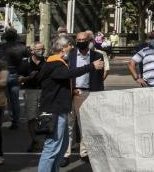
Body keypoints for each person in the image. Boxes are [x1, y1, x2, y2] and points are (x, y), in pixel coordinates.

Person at [36, 35, 104, 172]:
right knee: (52, 146)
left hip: (58, 109)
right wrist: (91, 66)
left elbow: (57, 85)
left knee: (62, 145)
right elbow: (70, 74)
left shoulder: (55, 63)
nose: (72, 47)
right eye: (69, 45)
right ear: (62, 49)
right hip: (55, 111)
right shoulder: (55, 63)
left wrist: (72, 91)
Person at [60, 31, 106, 167]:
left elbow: (99, 77)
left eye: (83, 39)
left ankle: (84, 153)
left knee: (85, 125)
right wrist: (71, 89)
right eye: (78, 39)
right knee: (68, 125)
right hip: (71, 93)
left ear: (90, 40)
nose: (80, 42)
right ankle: (65, 154)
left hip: (88, 94)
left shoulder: (98, 56)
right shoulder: (70, 55)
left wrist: (98, 95)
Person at [19, 42, 46, 152]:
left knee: (44, 117)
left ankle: (44, 141)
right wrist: (28, 78)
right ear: (32, 51)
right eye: (39, 49)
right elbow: (19, 79)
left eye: (43, 49)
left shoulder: (47, 61)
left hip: (44, 92)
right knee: (31, 117)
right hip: (30, 91)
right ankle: (35, 140)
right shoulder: (25, 63)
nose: (42, 51)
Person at [0, 29, 28, 131]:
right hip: (15, 74)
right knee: (15, 99)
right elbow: (26, 61)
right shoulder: (22, 48)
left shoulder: (1, 47)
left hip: (3, 74)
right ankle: (15, 121)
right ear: (16, 37)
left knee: (1, 98)